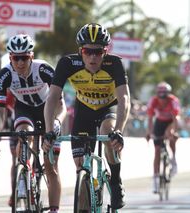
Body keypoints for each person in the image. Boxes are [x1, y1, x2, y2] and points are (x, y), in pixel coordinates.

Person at [42, 23, 130, 210]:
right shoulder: (67, 63)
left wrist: (119, 131)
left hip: (108, 108)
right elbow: (51, 98)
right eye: (87, 51)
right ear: (80, 51)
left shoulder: (114, 64)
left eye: (97, 52)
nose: (92, 57)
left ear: (105, 51)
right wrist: (49, 130)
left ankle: (115, 180)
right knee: (81, 168)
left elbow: (124, 98)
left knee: (108, 132)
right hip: (84, 110)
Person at [0, 34, 67, 213]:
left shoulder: (44, 69)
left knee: (50, 165)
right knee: (23, 134)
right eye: (16, 58)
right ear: (10, 58)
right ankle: (25, 172)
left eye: (25, 58)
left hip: (49, 110)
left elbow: (62, 106)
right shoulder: (4, 74)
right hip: (25, 109)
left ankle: (54, 209)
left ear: (31, 56)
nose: (20, 63)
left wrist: (56, 124)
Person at [145, 82, 181, 193]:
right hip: (159, 123)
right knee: (156, 151)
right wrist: (149, 132)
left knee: (170, 136)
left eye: (164, 98)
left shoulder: (173, 101)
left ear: (168, 95)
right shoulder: (153, 101)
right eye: (160, 98)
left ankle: (173, 159)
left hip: (171, 122)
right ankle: (155, 179)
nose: (162, 101)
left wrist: (174, 131)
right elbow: (150, 119)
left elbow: (176, 118)